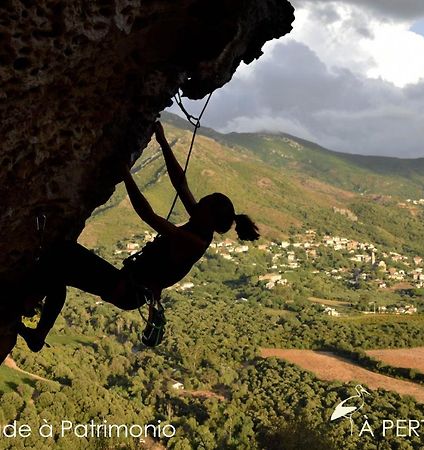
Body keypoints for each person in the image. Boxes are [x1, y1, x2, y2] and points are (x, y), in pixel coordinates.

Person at [18, 122, 260, 352]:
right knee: (61, 269)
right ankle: (38, 329)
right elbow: (181, 184)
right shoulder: (201, 224)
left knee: (64, 253)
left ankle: (30, 304)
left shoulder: (194, 241)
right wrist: (164, 142)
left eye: (203, 204)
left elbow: (149, 215)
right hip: (126, 286)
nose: (197, 204)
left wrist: (125, 174)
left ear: (209, 217)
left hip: (124, 289)